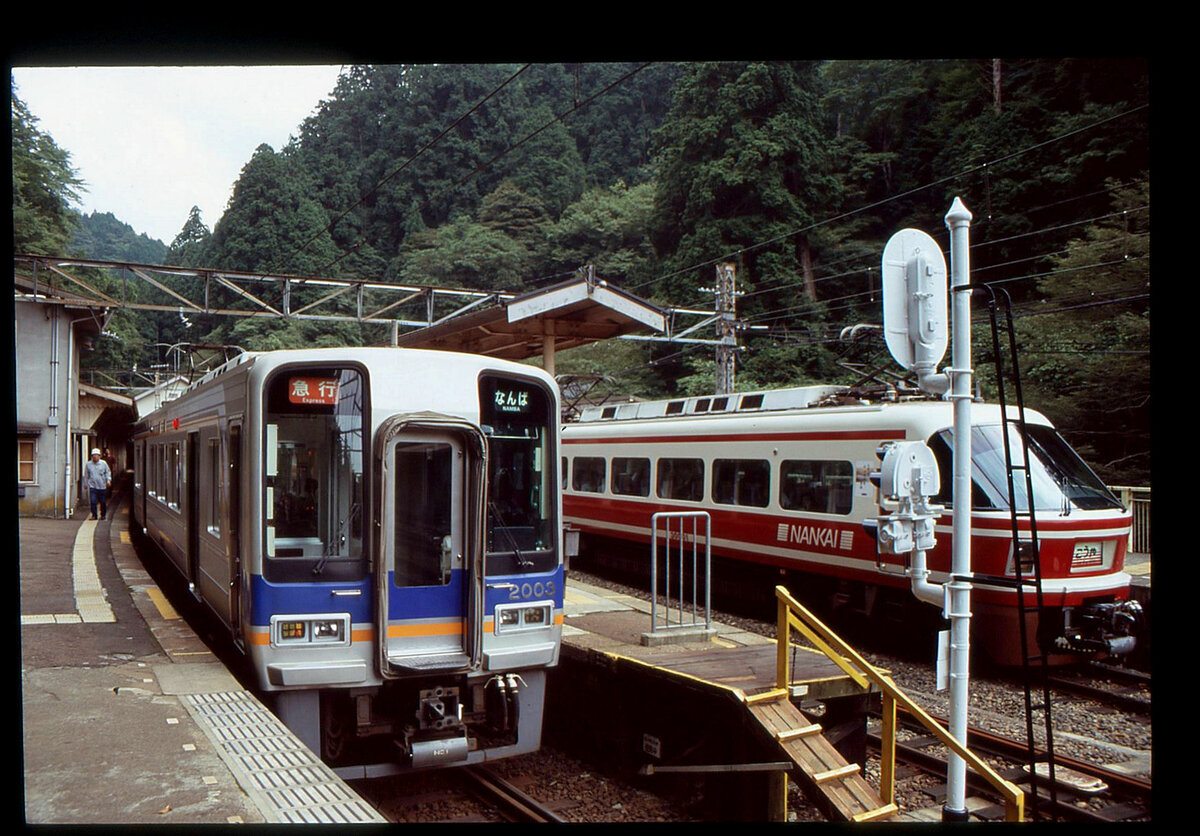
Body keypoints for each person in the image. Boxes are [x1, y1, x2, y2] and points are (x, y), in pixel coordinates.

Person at [83, 448, 112, 520]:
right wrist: (85, 483)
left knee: (102, 502)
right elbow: (86, 475)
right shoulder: (88, 464)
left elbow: (108, 472)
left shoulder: (103, 463)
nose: (95, 457)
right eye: (93, 455)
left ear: (99, 456)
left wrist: (108, 480)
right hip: (93, 486)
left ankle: (103, 514)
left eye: (96, 455)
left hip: (102, 486)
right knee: (93, 501)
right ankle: (94, 515)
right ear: (91, 456)